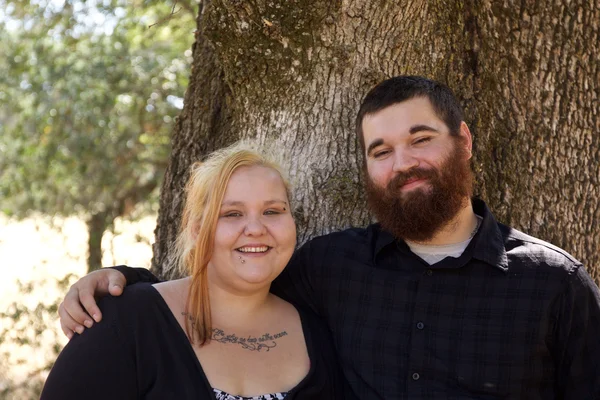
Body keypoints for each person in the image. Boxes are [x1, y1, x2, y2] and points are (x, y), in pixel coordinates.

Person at [58, 76, 600, 399]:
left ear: (463, 142)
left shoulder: (556, 288)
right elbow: (230, 282)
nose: (403, 163)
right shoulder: (330, 268)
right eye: (380, 151)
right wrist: (121, 285)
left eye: (421, 139)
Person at [42, 144, 350, 399]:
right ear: (198, 230)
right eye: (232, 214)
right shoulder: (126, 322)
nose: (256, 229)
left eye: (272, 211)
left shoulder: (319, 335)